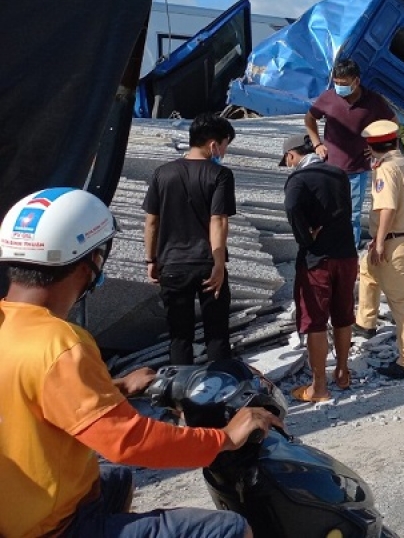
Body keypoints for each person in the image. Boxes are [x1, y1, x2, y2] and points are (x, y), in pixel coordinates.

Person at [0, 187, 281, 538]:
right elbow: (129, 443)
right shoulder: (61, 344)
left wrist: (113, 388)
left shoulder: (9, 326)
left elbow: (23, 390)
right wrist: (224, 438)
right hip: (49, 529)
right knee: (231, 530)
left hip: (18, 507)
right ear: (91, 262)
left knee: (115, 481)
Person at [143, 112, 237, 365]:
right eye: (226, 144)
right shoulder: (221, 175)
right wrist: (218, 264)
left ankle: (180, 398)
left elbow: (152, 221)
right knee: (217, 336)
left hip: (172, 266)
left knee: (179, 338)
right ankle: (218, 395)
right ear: (213, 144)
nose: (225, 151)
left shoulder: (162, 173)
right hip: (208, 264)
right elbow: (218, 220)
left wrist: (150, 260)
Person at [281, 134, 359, 402]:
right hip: (347, 254)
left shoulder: (298, 180)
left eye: (288, 161)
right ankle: (343, 372)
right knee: (343, 314)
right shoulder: (338, 174)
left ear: (292, 155)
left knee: (315, 320)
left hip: (317, 260)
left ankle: (319, 387)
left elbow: (291, 207)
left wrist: (305, 237)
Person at [356, 120, 404, 379]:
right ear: (395, 142)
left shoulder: (385, 170)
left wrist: (380, 241)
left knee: (401, 302)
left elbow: (387, 208)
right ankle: (366, 321)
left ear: (371, 146)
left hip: (393, 240)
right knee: (367, 269)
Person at [304, 59, 396, 249]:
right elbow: (310, 118)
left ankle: (349, 255)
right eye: (336, 83)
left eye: (344, 84)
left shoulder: (373, 102)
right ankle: (328, 250)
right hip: (330, 167)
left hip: (357, 169)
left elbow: (393, 124)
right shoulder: (328, 98)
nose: (339, 87)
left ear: (356, 81)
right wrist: (317, 144)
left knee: (352, 215)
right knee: (326, 212)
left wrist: (377, 148)